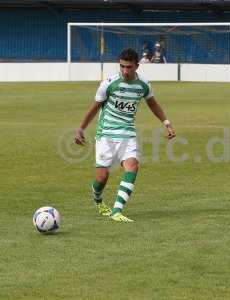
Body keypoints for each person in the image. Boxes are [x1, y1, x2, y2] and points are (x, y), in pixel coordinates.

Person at [74, 48, 176, 222]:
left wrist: (167, 124)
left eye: (129, 67)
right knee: (102, 177)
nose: (125, 71)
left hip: (127, 133)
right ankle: (98, 200)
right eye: (122, 66)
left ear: (137, 66)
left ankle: (117, 211)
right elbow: (95, 108)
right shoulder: (109, 84)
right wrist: (81, 129)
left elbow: (153, 104)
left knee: (133, 166)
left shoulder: (143, 85)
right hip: (106, 133)